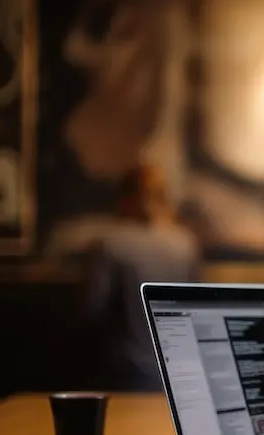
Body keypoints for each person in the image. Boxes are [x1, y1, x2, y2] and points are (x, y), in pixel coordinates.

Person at [84, 163, 201, 391]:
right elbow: (196, 310)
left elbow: (92, 310)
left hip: (127, 373)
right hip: (179, 372)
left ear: (126, 199)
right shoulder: (185, 244)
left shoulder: (111, 245)